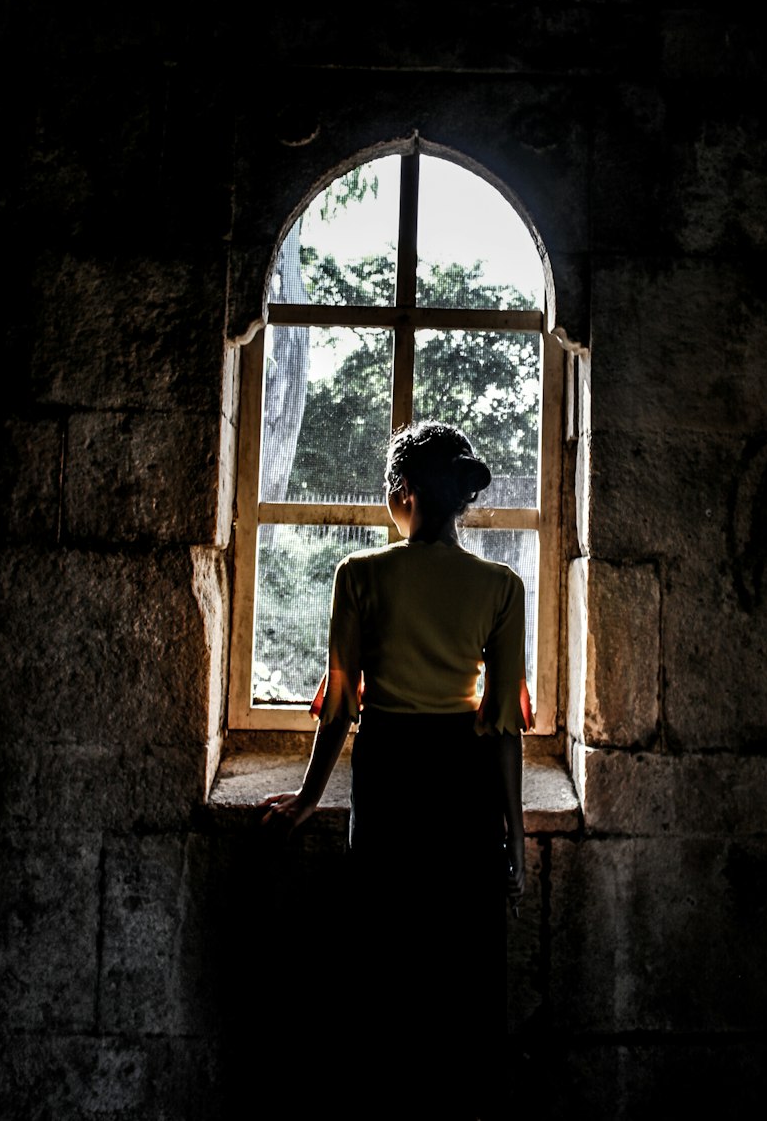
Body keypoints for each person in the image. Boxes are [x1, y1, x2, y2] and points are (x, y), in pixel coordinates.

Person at [259, 420, 531, 1114]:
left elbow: (342, 707)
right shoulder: (499, 586)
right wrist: (516, 843)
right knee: (463, 976)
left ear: (402, 495)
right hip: (464, 786)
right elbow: (502, 728)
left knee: (385, 968)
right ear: (456, 498)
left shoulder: (360, 575)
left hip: (389, 780)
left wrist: (309, 798)